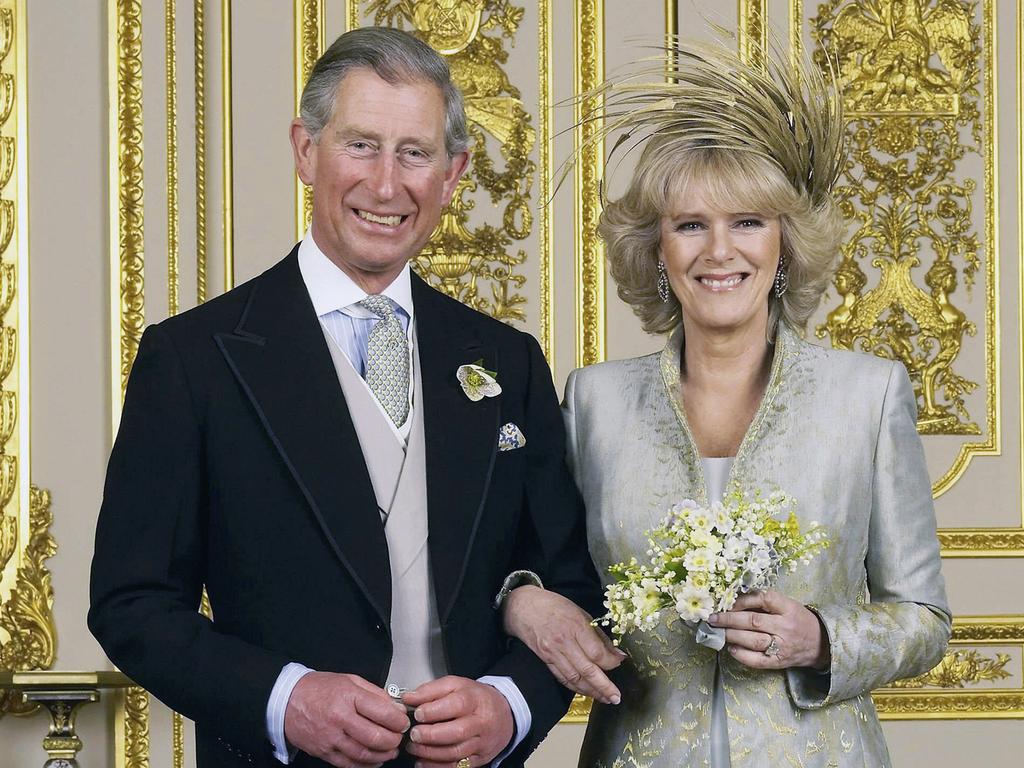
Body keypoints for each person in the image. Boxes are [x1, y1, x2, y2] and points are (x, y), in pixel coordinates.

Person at [89, 27, 599, 768]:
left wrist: (510, 707)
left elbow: (570, 585)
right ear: (306, 151)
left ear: (452, 174)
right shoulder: (193, 359)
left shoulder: (507, 362)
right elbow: (131, 605)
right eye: (361, 145)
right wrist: (284, 697)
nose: (387, 184)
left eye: (415, 153)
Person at [501, 41, 952, 766]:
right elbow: (539, 574)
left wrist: (823, 638)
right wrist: (521, 599)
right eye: (689, 225)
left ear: (785, 245)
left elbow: (924, 618)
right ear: (655, 250)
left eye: (747, 222)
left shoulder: (866, 395)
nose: (719, 251)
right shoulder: (595, 403)